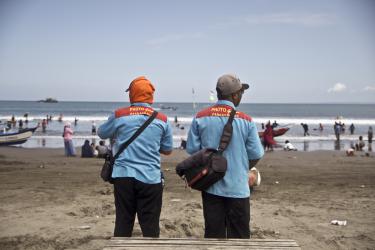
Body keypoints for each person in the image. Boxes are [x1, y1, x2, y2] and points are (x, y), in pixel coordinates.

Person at [186, 74, 264, 239]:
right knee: (240, 239)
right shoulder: (246, 120)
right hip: (238, 189)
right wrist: (242, 168)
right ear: (234, 95)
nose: (242, 96)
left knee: (214, 237)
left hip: (210, 186)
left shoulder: (200, 117)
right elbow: (257, 153)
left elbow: (193, 150)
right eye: (241, 92)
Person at [98, 76, 173, 237]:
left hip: (123, 176)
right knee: (151, 227)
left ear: (132, 95)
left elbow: (101, 132)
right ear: (151, 96)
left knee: (123, 223)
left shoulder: (119, 115)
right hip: (150, 178)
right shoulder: (162, 119)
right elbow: (167, 150)